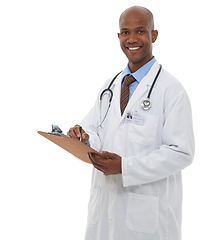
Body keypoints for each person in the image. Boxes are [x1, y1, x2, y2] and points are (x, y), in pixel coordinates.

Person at [67, 6, 194, 240]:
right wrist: (83, 137)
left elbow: (182, 153)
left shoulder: (171, 90)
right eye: (125, 32)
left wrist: (126, 168)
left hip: (148, 221)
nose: (132, 39)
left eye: (140, 31)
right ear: (118, 37)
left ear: (154, 35)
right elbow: (95, 131)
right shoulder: (111, 86)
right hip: (104, 214)